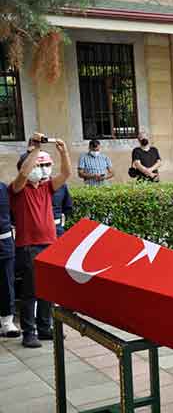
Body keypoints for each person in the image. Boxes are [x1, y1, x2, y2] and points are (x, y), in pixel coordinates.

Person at [10, 133, 72, 348]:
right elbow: (25, 172)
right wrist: (34, 148)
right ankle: (29, 332)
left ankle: (45, 328)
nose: (43, 170)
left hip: (50, 243)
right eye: (40, 165)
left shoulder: (47, 187)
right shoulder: (17, 189)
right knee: (30, 291)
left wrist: (63, 152)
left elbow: (66, 173)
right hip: (29, 246)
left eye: (46, 165)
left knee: (47, 289)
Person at [0, 179, 18, 338]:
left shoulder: (4, 188)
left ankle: (7, 322)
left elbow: (14, 214)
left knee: (7, 283)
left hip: (4, 242)